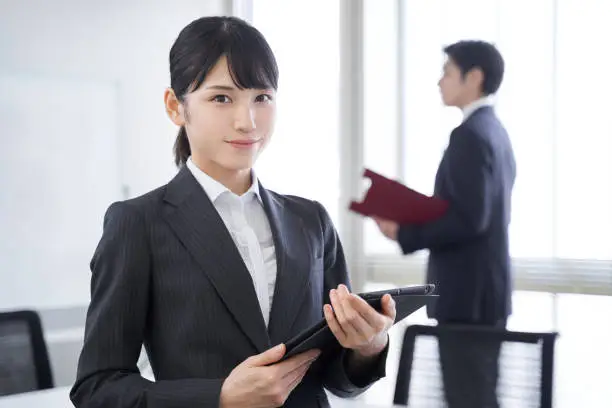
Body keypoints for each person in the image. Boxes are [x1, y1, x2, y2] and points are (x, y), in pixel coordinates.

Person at [70, 16, 394, 408]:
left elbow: (337, 379)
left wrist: (367, 347)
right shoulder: (138, 224)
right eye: (221, 98)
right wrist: (218, 397)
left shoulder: (311, 222)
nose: (248, 121)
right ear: (176, 107)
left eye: (262, 97)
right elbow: (97, 388)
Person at [374, 40, 516, 407]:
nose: (440, 82)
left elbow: (470, 220)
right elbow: (471, 211)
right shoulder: (495, 132)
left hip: (467, 298)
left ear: (475, 78)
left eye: (447, 73)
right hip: (484, 296)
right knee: (478, 394)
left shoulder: (469, 135)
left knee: (468, 398)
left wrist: (404, 231)